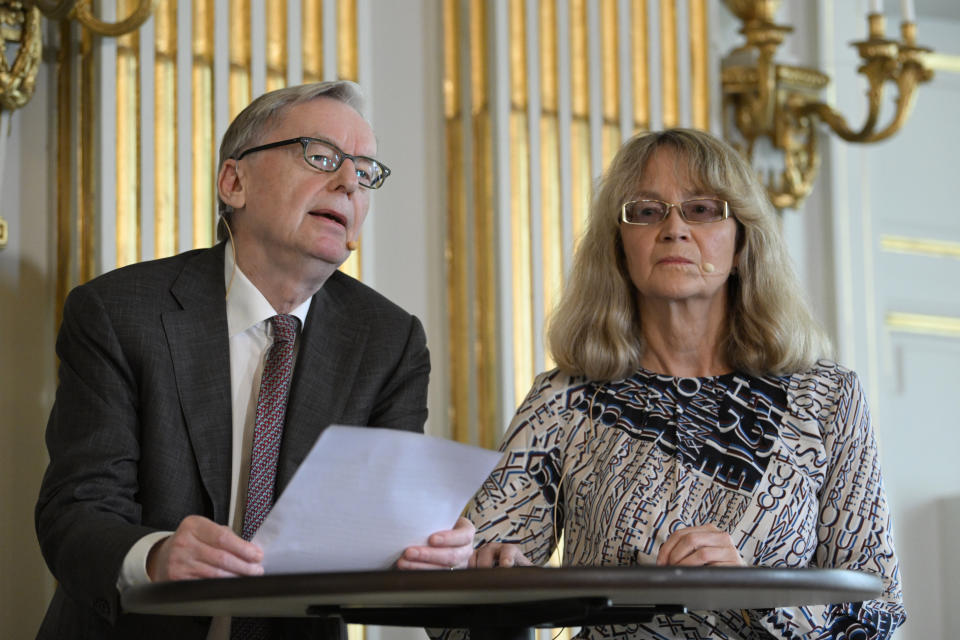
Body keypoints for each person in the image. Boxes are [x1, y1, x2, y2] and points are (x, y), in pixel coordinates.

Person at [35, 80, 474, 640]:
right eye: (321, 156)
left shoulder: (389, 341)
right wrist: (155, 555)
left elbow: (377, 539)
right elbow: (74, 511)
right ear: (234, 181)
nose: (348, 183)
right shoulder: (120, 314)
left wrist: (426, 554)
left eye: (365, 172)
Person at [452, 129, 905, 639]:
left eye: (702, 209)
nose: (673, 229)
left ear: (741, 243)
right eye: (646, 211)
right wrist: (495, 570)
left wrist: (752, 590)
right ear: (620, 249)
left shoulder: (828, 398)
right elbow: (460, 600)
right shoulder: (564, 398)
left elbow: (878, 615)